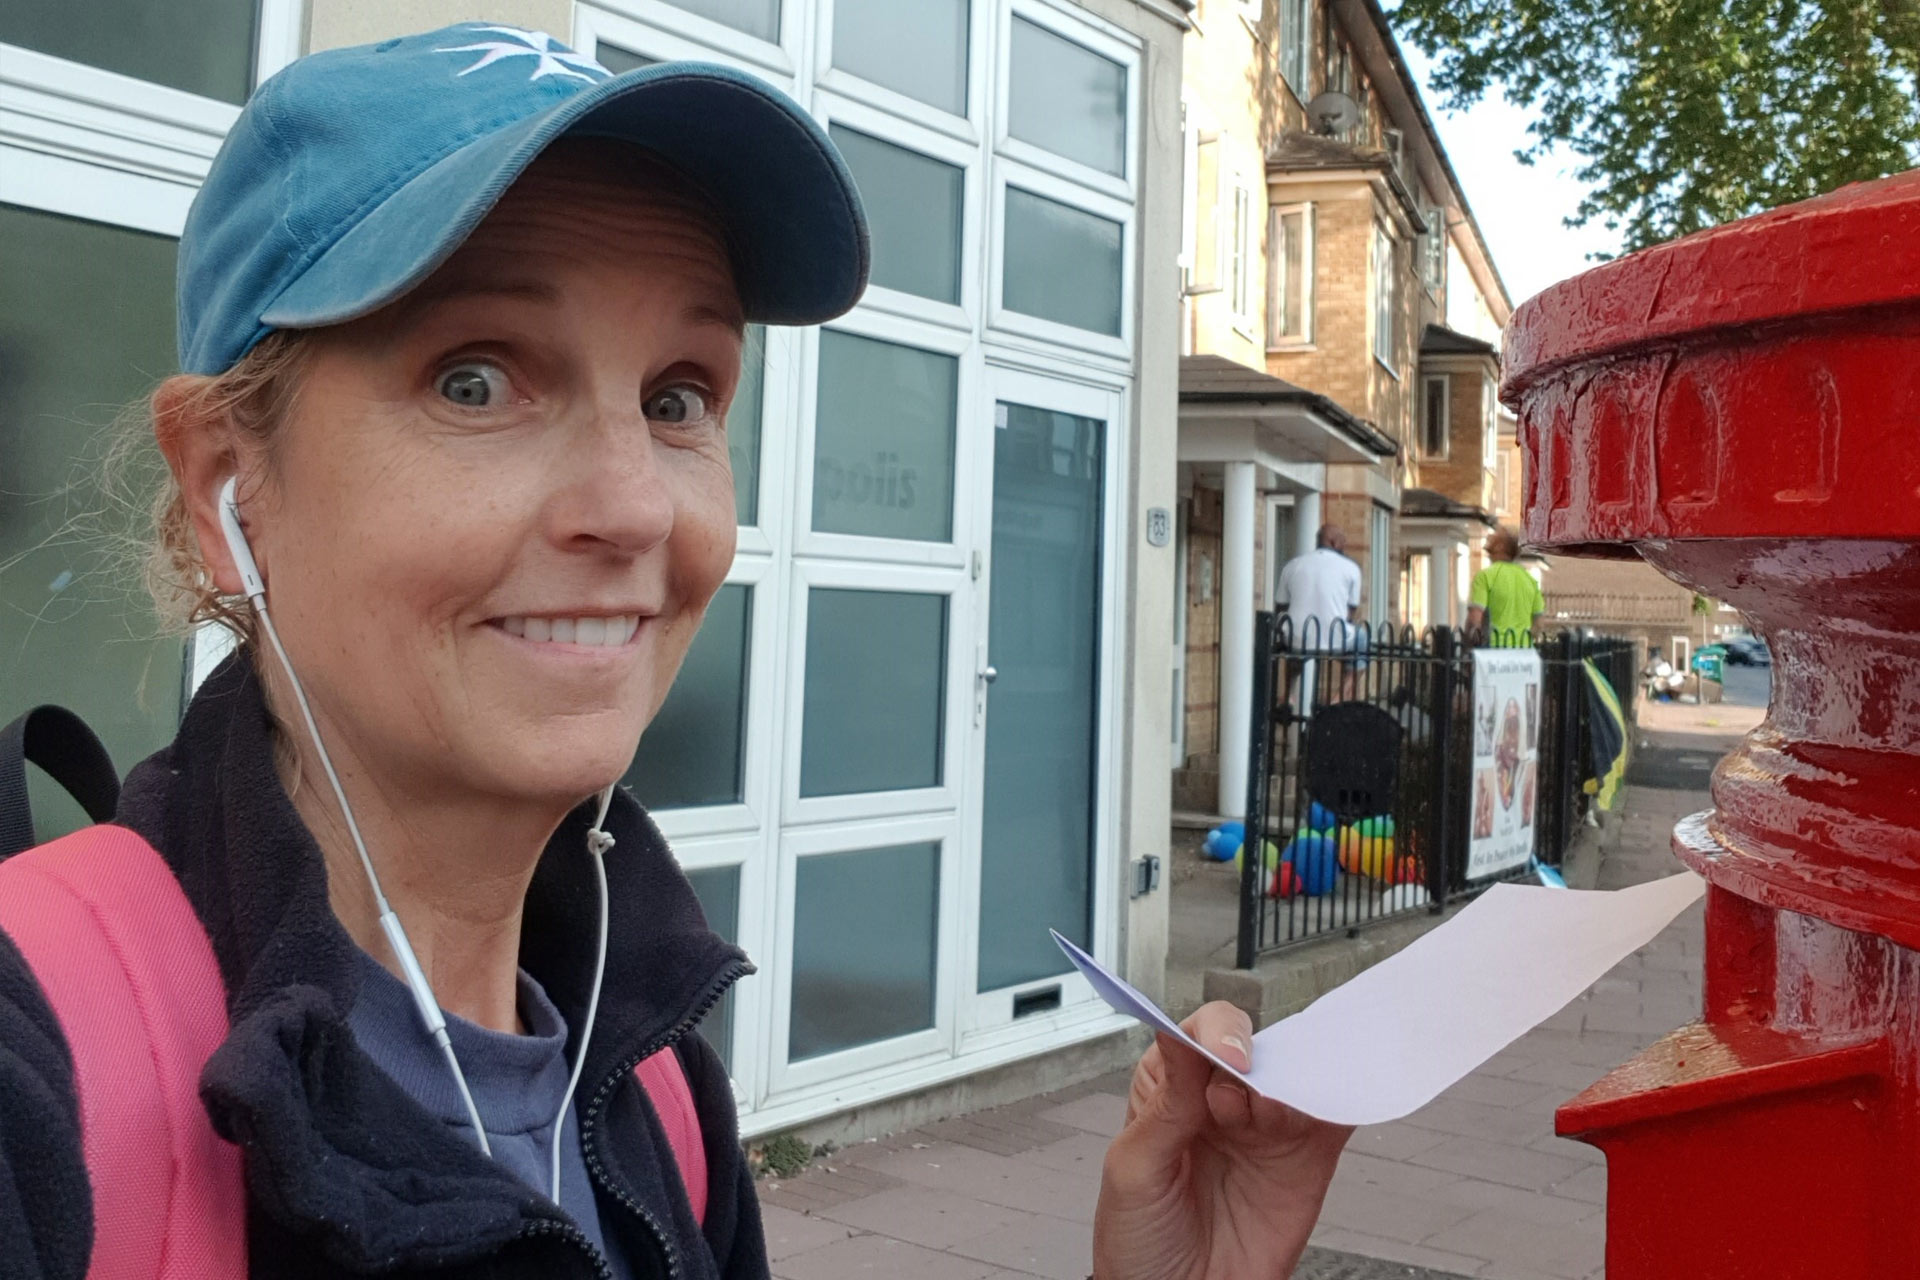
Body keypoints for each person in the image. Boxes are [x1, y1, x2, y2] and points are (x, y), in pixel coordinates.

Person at [0, 26, 1350, 1278]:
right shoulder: (40, 1069)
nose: (638, 504)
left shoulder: (644, 1066)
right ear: (229, 490)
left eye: (679, 396)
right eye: (477, 376)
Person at [1276, 522, 1367, 703]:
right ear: (1333, 541)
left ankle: (1288, 693)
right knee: (1362, 638)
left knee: (1294, 647)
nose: (1345, 545)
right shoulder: (1351, 569)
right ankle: (1339, 697)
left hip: (1298, 638)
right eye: (1343, 541)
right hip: (1335, 639)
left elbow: (1280, 606)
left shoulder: (1293, 565)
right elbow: (1351, 610)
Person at [1467, 528, 1546, 647]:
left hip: (1494, 653)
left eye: (1491, 545)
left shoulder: (1485, 576)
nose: (1488, 550)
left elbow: (1475, 618)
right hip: (1523, 653)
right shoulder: (1530, 580)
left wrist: (1468, 644)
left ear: (1499, 547)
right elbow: (1539, 624)